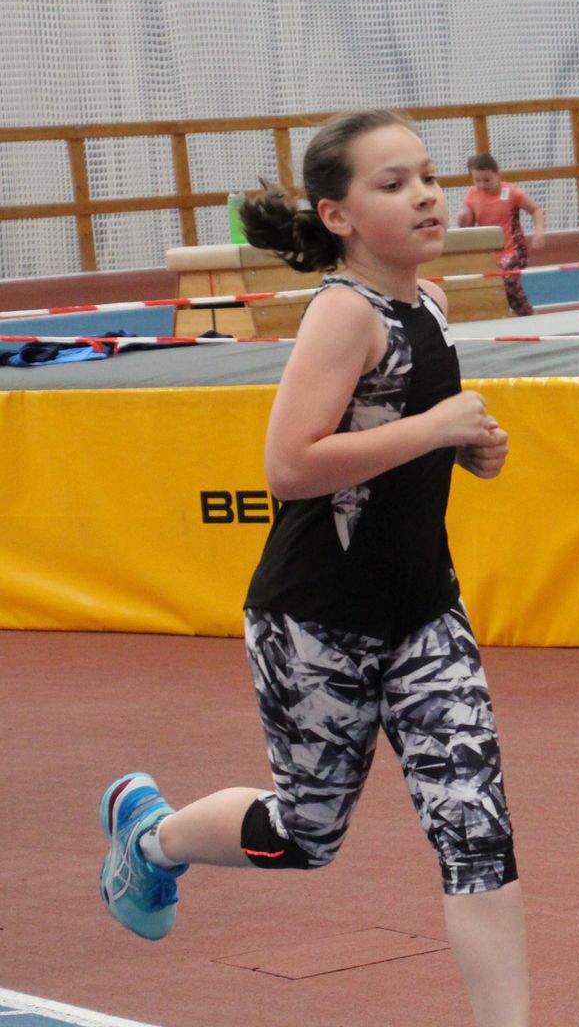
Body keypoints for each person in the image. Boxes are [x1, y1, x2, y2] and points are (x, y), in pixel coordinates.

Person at [97, 110, 531, 1027]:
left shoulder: (430, 301)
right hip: (316, 623)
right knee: (306, 834)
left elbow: (392, 437)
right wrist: (435, 427)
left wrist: (470, 450)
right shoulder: (343, 313)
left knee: (477, 839)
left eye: (428, 177)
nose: (426, 197)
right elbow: (290, 465)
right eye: (393, 184)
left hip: (425, 617)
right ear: (337, 216)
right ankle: (153, 837)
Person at [458, 152, 545, 317]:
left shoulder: (512, 192)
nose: (482, 185)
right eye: (477, 180)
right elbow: (467, 226)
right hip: (490, 252)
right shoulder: (472, 195)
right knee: (490, 285)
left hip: (513, 249)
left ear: (498, 174)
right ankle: (516, 313)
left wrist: (539, 231)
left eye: (487, 180)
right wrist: (463, 219)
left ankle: (528, 313)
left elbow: (536, 209)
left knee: (508, 280)